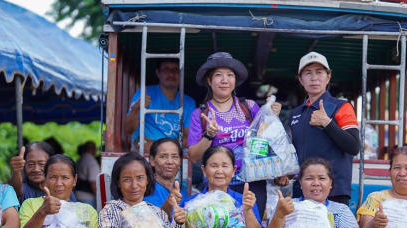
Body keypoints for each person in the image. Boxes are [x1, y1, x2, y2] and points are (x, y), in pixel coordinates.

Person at [187, 52, 279, 217]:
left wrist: (272, 118)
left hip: (252, 182)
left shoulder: (249, 107)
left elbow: (264, 142)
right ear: (209, 80)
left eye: (230, 75)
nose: (225, 80)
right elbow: (193, 156)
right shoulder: (200, 114)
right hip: (218, 184)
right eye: (218, 75)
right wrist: (208, 136)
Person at [274, 52, 360, 206]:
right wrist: (287, 173)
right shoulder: (296, 113)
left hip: (334, 192)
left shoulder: (342, 107)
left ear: (328, 76)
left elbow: (354, 146)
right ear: (301, 80)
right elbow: (298, 153)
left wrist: (327, 123)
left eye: (319, 72)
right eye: (308, 73)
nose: (314, 78)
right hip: (303, 191)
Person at [124, 58, 196, 153]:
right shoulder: (144, 93)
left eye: (176, 69)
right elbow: (128, 130)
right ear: (158, 73)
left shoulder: (188, 102)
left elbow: (188, 138)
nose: (171, 73)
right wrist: (136, 107)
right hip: (144, 150)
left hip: (173, 152)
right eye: (166, 68)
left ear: (182, 74)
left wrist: (158, 147)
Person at [10, 140, 77, 203]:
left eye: (41, 164)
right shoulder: (24, 190)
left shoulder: (64, 189)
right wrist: (16, 171)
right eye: (30, 164)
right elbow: (16, 189)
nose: (36, 169)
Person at [75, 141, 101, 207]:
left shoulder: (80, 159)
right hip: (87, 197)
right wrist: (99, 198)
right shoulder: (91, 161)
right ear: (94, 149)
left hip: (77, 194)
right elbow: (93, 182)